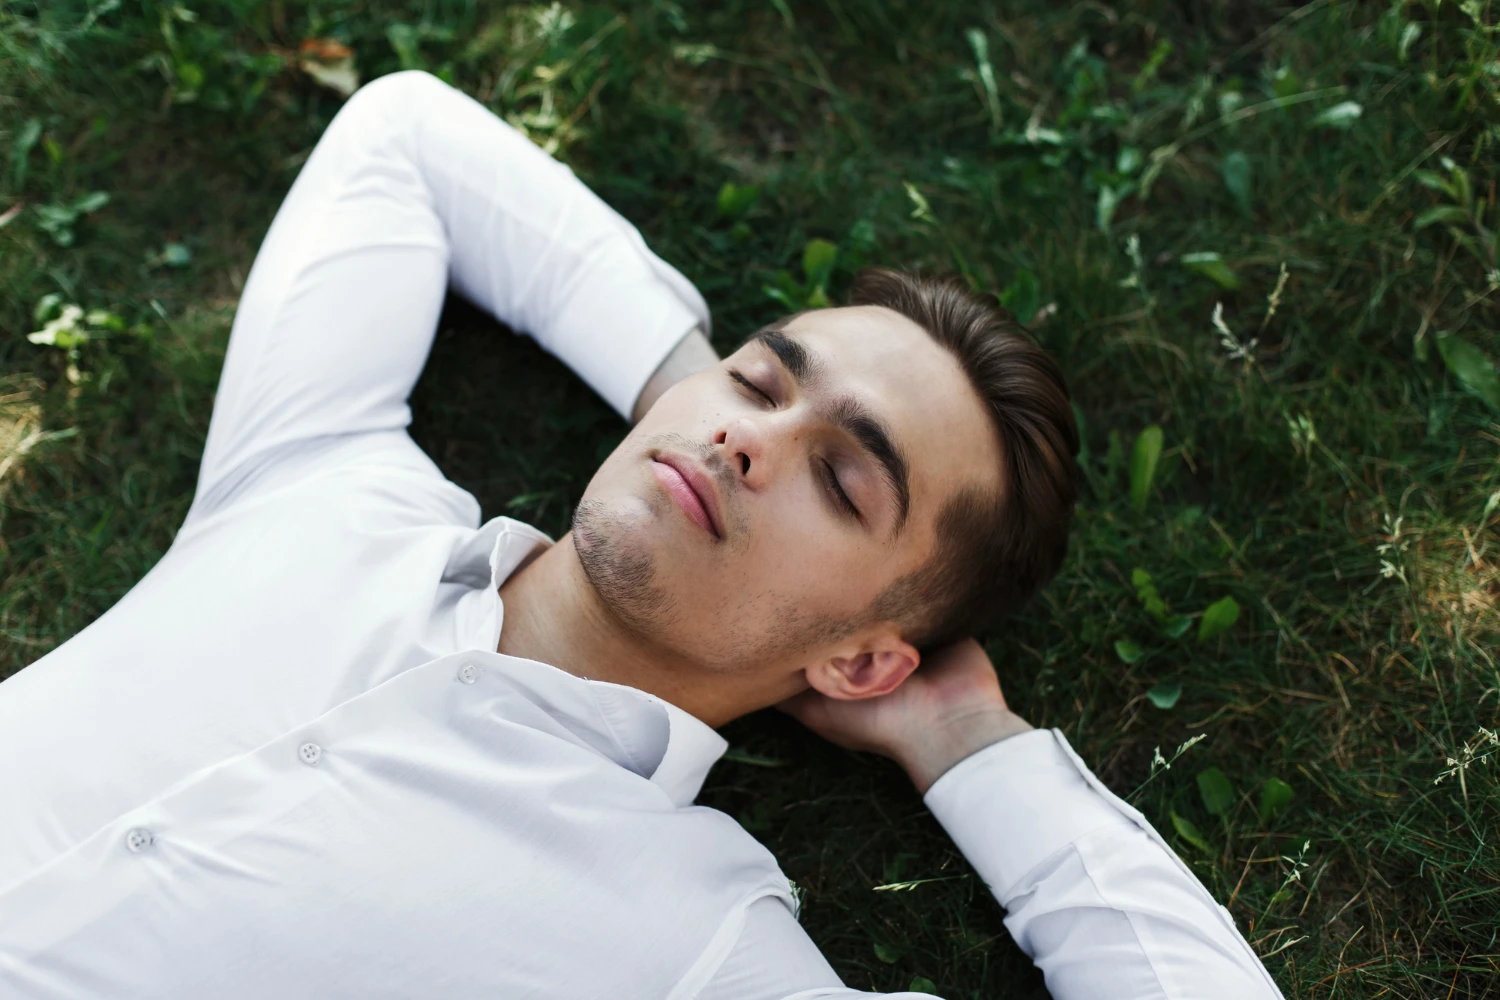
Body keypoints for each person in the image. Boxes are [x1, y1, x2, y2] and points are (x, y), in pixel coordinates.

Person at [0, 71, 1282, 999]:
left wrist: (969, 746)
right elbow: (402, 135)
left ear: (864, 660)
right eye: (758, 379)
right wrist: (684, 383)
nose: (748, 440)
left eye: (840, 481)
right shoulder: (328, 482)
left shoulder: (692, 942)